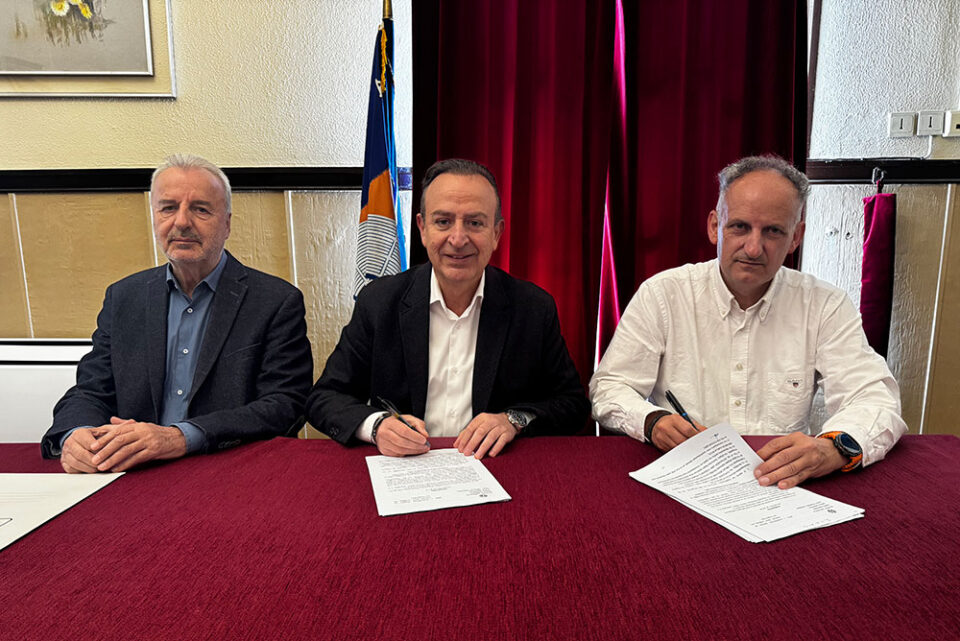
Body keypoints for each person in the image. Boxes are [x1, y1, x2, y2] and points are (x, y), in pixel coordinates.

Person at [590, 155, 906, 489]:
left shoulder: (825, 304)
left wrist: (834, 447)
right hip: (682, 476)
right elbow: (610, 387)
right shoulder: (662, 295)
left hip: (780, 483)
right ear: (715, 227)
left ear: (795, 237)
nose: (754, 248)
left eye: (773, 231)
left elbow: (874, 397)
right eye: (740, 227)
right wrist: (652, 421)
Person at [41, 154, 313, 473]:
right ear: (154, 217)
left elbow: (285, 405)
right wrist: (76, 434)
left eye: (200, 209)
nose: (182, 222)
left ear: (227, 223)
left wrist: (180, 437)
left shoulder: (275, 301)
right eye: (168, 208)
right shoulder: (123, 297)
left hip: (232, 471)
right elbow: (91, 390)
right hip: (134, 474)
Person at [307, 158, 589, 459]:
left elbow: (572, 405)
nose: (458, 239)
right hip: (405, 468)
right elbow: (325, 398)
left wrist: (513, 420)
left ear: (496, 233)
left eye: (475, 223)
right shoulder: (379, 302)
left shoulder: (533, 308)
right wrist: (376, 426)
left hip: (497, 468)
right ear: (422, 228)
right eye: (443, 222)